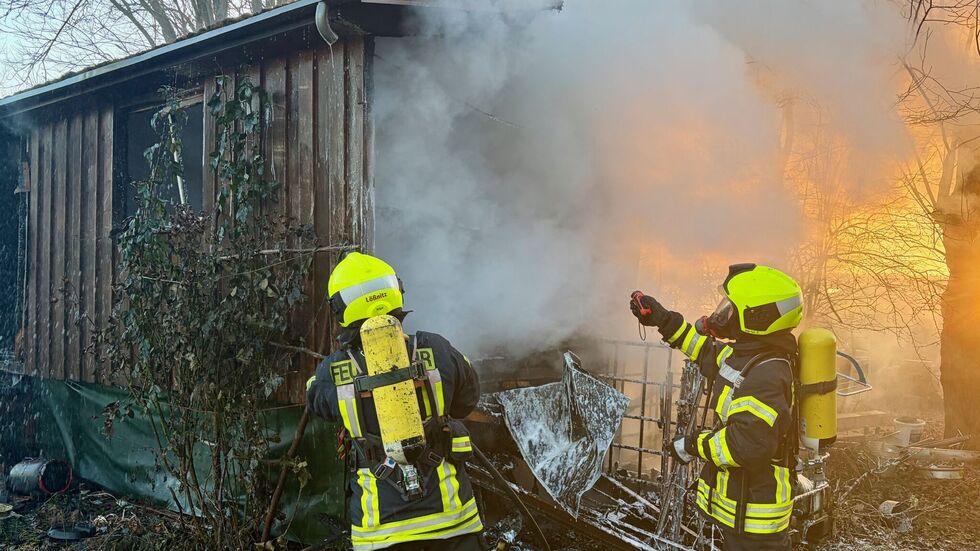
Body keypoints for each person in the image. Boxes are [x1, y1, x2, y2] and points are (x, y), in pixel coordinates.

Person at [307, 252, 484, 551]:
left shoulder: (331, 372)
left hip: (381, 532)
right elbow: (466, 402)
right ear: (396, 292)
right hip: (454, 524)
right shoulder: (437, 349)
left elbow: (315, 400)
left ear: (340, 309)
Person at [630, 263, 802, 551]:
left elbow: (744, 446)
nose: (721, 315)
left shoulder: (767, 374)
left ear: (756, 316)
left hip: (754, 524)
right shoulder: (751, 355)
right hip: (741, 514)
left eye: (730, 308)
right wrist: (662, 319)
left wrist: (691, 446)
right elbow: (706, 351)